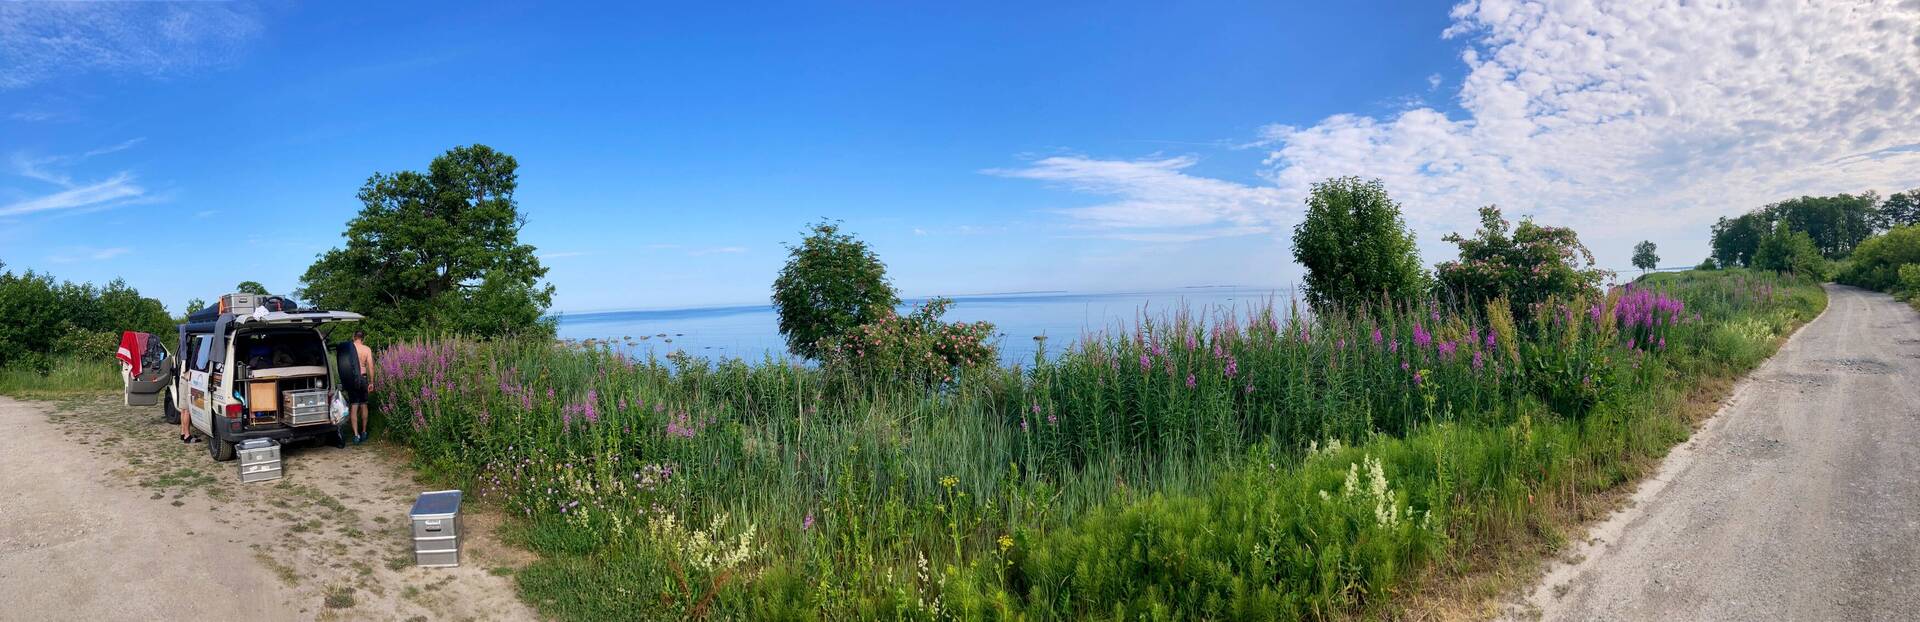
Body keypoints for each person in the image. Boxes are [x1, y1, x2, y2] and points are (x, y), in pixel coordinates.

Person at [347, 331, 375, 443]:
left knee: (354, 406)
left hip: (352, 379)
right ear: (363, 338)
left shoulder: (349, 349)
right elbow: (371, 366)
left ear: (354, 337)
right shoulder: (367, 349)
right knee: (364, 404)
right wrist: (372, 382)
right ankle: (364, 431)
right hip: (363, 378)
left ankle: (356, 435)